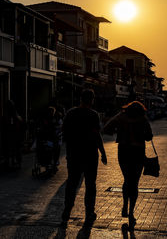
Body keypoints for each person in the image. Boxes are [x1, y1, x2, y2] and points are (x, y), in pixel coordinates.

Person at [103, 101, 153, 230]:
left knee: (127, 179)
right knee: (134, 182)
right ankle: (131, 211)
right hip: (138, 152)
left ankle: (125, 205)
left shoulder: (121, 117)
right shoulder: (142, 119)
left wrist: (119, 128)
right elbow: (149, 137)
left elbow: (106, 129)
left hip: (124, 151)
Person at [61, 89, 107, 226]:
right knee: (90, 185)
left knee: (72, 184)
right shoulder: (93, 115)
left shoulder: (70, 113)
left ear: (80, 99)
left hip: (74, 154)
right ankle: (89, 213)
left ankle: (67, 212)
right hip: (90, 155)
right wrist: (103, 152)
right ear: (91, 100)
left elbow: (64, 133)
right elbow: (97, 135)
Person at [1, 100, 24, 169]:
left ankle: (11, 161)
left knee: (13, 149)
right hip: (14, 135)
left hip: (12, 135)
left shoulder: (11, 116)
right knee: (15, 149)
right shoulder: (16, 116)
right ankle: (14, 161)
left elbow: (10, 125)